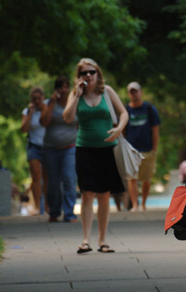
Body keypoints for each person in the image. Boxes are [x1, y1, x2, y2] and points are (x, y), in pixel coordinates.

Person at [63, 58, 128, 254]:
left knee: (104, 195)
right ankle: (85, 240)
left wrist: (118, 130)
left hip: (107, 149)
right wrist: (76, 94)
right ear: (79, 76)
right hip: (84, 149)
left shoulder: (106, 91)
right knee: (86, 194)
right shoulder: (76, 94)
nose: (88, 76)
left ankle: (102, 240)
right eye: (84, 73)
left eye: (92, 72)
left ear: (98, 73)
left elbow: (124, 113)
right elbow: (67, 117)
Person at [40, 76, 79, 223]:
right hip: (51, 149)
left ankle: (69, 213)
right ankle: (55, 212)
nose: (63, 90)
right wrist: (52, 103)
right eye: (60, 87)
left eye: (65, 87)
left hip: (70, 147)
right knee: (54, 182)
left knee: (69, 179)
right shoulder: (48, 104)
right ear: (56, 90)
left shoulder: (74, 103)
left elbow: (80, 124)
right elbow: (44, 122)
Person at [124, 81, 161, 211]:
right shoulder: (125, 111)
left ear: (141, 92)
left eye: (136, 91)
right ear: (129, 94)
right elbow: (123, 130)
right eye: (131, 92)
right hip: (131, 150)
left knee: (146, 179)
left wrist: (154, 149)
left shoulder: (150, 109)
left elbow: (155, 130)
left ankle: (144, 203)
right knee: (132, 178)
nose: (134, 94)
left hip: (147, 149)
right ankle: (135, 205)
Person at [21, 86, 48, 215]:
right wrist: (31, 113)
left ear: (43, 98)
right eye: (34, 99)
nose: (37, 101)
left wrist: (44, 109)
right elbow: (23, 129)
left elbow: (48, 122)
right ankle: (38, 207)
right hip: (34, 146)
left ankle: (48, 206)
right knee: (36, 177)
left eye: (39, 98)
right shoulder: (26, 111)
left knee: (47, 178)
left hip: (48, 146)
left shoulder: (47, 108)